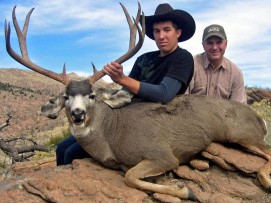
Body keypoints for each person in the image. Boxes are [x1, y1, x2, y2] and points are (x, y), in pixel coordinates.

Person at [56, 3, 196, 165]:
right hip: (126, 119)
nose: (161, 36)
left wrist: (122, 78)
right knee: (61, 148)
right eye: (157, 31)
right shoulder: (144, 59)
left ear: (178, 33)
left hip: (154, 125)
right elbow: (125, 94)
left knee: (71, 153)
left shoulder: (182, 58)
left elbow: (164, 94)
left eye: (167, 30)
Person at [186, 24, 247, 104]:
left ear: (226, 44)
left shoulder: (236, 73)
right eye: (210, 43)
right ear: (203, 45)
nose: (214, 47)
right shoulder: (190, 65)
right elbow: (182, 101)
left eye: (219, 42)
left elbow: (239, 108)